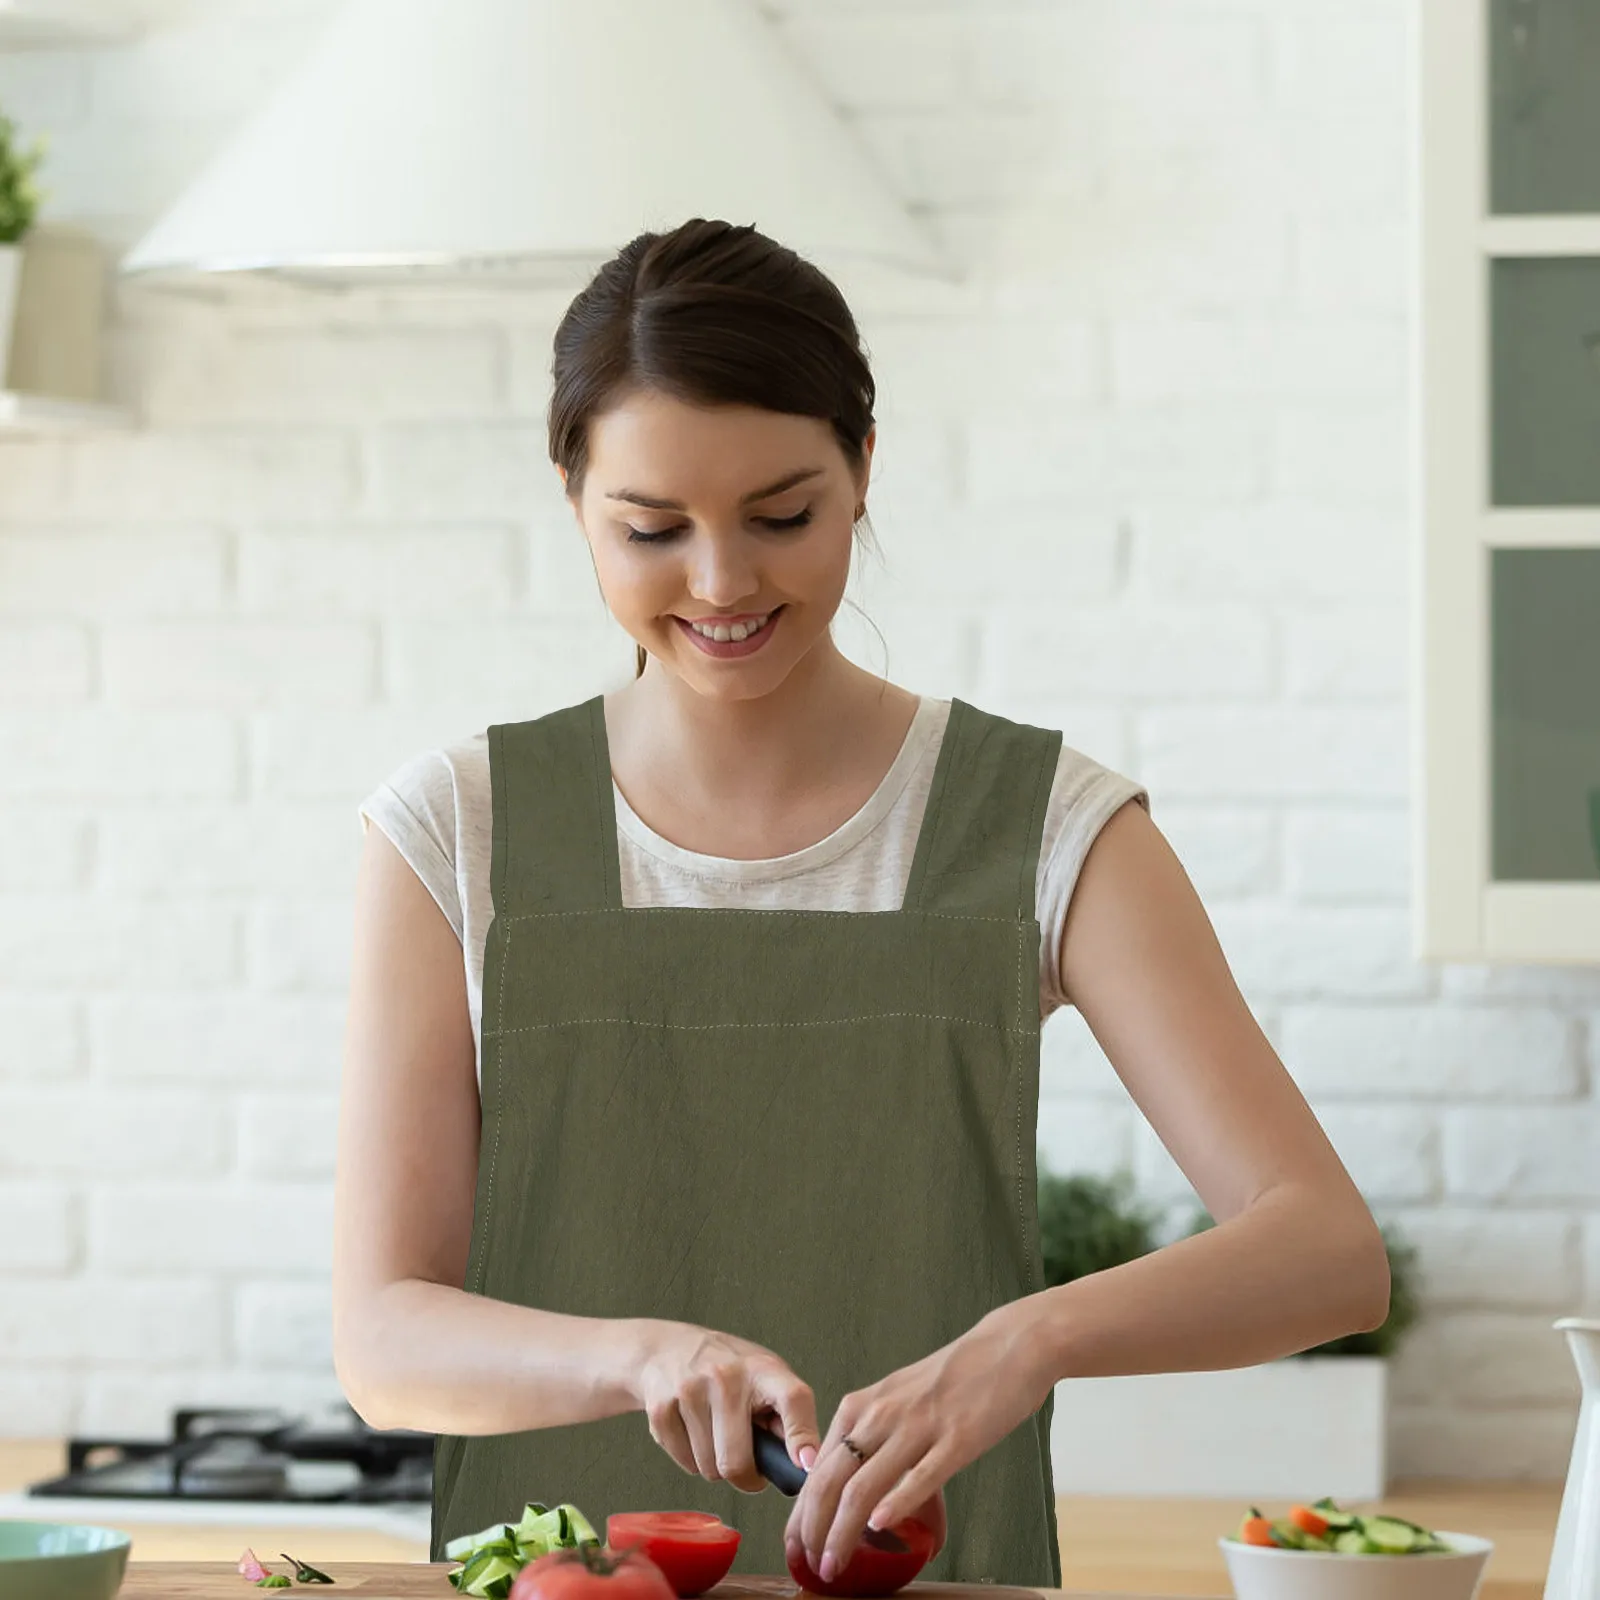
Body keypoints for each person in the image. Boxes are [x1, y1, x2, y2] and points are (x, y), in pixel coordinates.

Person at [333, 217, 1390, 1588]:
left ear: (864, 472)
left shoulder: (1049, 825)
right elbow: (383, 1341)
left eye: (783, 516)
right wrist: (642, 1356)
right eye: (651, 528)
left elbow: (1325, 1250)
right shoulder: (454, 829)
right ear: (570, 493)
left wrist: (1026, 1341)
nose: (722, 584)